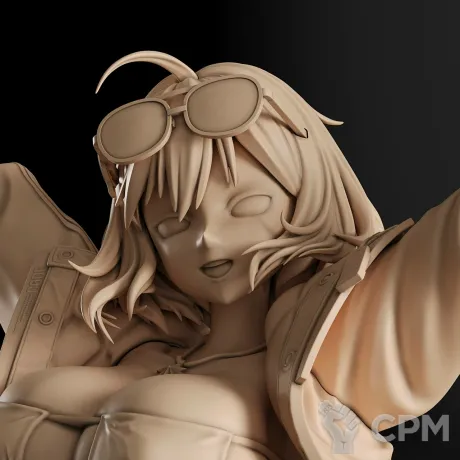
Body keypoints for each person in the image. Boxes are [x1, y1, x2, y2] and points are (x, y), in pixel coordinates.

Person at [0, 51, 458, 460]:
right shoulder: (117, 336)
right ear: (145, 239)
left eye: (246, 207)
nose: (208, 238)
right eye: (173, 226)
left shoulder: (331, 343)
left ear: (307, 196)